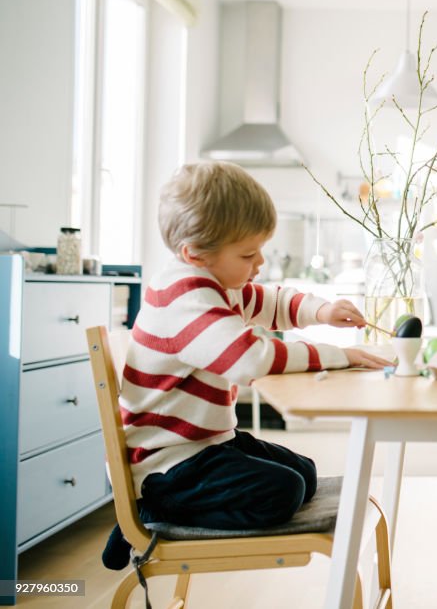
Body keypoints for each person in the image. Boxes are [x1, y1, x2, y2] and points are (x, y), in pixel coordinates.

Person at [101, 161, 391, 570]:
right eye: (248, 253)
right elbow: (249, 359)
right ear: (194, 254)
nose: (259, 263)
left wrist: (322, 311)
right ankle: (160, 511)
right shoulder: (184, 298)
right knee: (284, 491)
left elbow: (268, 301)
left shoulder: (217, 284)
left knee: (303, 474)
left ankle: (174, 505)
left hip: (207, 444)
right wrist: (340, 354)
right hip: (170, 464)